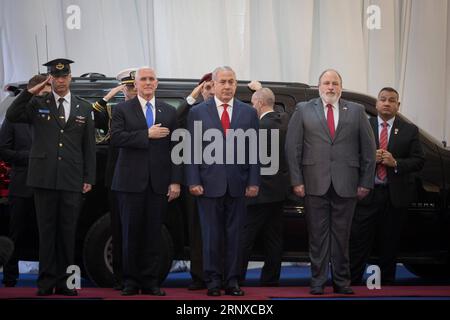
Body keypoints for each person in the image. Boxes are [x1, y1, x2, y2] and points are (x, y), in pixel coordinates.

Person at [5, 58, 96, 296]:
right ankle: (45, 283)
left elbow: (88, 146)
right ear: (50, 79)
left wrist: (89, 177)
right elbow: (13, 115)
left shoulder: (83, 107)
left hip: (71, 178)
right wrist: (29, 91)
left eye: (64, 76)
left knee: (67, 232)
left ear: (70, 77)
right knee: (46, 233)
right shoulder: (38, 103)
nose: (61, 80)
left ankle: (66, 283)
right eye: (56, 77)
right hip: (43, 178)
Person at [285, 69, 376, 295]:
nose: (331, 87)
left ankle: (342, 282)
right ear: (319, 87)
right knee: (317, 236)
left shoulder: (356, 111)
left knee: (342, 237)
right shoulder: (304, 109)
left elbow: (369, 150)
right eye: (326, 83)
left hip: (347, 185)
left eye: (335, 83)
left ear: (341, 87)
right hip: (313, 184)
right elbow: (292, 148)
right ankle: (317, 282)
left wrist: (366, 182)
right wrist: (296, 180)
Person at [186, 66, 260, 297]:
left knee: (235, 236)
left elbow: (254, 150)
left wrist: (253, 181)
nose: (227, 86)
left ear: (236, 84)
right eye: (223, 82)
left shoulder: (248, 112)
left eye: (231, 82)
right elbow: (191, 150)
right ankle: (213, 281)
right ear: (214, 85)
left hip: (238, 185)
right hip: (207, 185)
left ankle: (232, 281)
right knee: (211, 236)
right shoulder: (198, 111)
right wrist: (193, 180)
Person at [111, 67, 182, 296]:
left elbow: (176, 149)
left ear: (157, 83)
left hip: (159, 185)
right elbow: (116, 138)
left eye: (152, 79)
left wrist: (175, 181)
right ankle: (130, 281)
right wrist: (146, 134)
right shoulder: (122, 109)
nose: (148, 82)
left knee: (153, 234)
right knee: (130, 233)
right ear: (137, 83)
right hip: (129, 183)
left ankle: (150, 281)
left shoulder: (169, 111)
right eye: (144, 79)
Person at [349, 87, 425, 285]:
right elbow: (349, 156)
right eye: (382, 99)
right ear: (376, 104)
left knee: (389, 243)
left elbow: (419, 160)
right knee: (359, 241)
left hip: (394, 196)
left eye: (392, 100)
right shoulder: (364, 125)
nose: (386, 103)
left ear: (398, 106)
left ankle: (386, 284)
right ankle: (352, 281)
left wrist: (396, 163)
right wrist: (369, 159)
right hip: (367, 194)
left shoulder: (410, 130)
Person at [0, 74, 51, 287]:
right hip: (21, 184)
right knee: (16, 233)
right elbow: (3, 150)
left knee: (47, 232)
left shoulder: (52, 115)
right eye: (43, 93)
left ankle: (47, 278)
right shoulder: (14, 118)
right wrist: (29, 156)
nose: (47, 97)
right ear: (33, 92)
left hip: (48, 185)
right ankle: (11, 278)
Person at [91, 68, 138, 290]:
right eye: (127, 87)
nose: (131, 90)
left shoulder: (149, 110)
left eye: (133, 86)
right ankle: (120, 277)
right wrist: (110, 95)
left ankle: (141, 275)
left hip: (141, 178)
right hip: (117, 177)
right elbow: (94, 114)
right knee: (118, 230)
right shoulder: (113, 110)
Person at [241, 88, 289, 286]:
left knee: (245, 239)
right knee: (274, 239)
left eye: (253, 104)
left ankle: (237, 277)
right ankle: (270, 280)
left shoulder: (257, 127)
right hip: (278, 193)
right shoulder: (284, 123)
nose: (252, 108)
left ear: (259, 104)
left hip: (257, 192)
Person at [175, 72, 214, 291]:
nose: (209, 91)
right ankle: (199, 276)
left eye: (212, 87)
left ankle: (217, 275)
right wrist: (192, 96)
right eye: (205, 88)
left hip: (220, 179)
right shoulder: (193, 111)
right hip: (194, 180)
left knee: (218, 230)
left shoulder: (222, 111)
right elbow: (175, 121)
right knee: (197, 232)